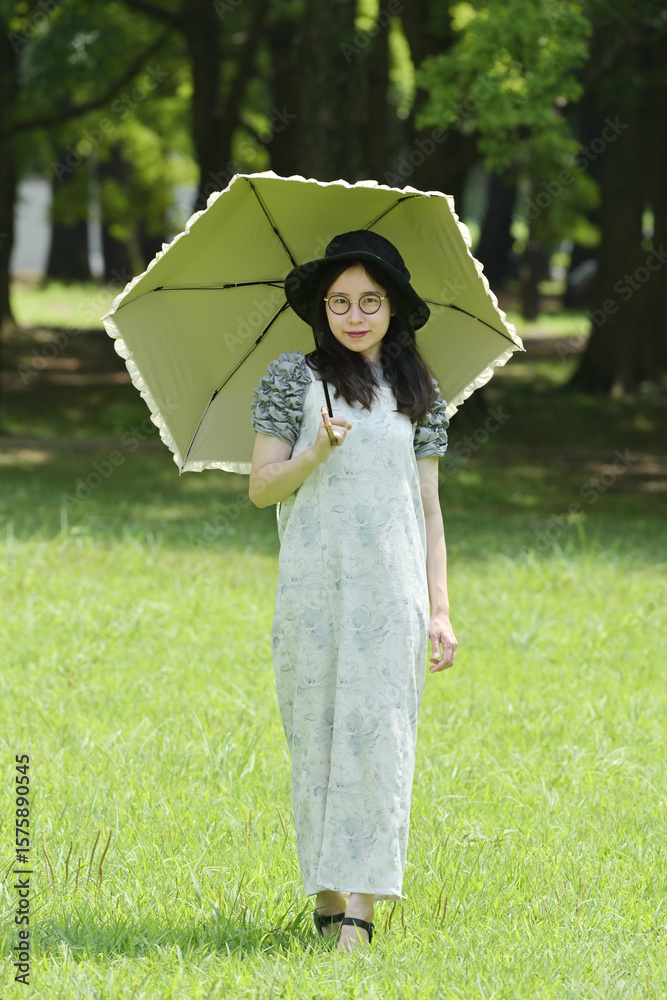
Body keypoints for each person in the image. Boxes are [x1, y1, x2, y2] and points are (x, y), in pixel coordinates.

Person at [248, 231, 458, 952]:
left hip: (391, 594)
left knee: (380, 740)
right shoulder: (291, 379)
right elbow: (260, 487)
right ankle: (327, 893)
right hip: (313, 594)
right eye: (339, 302)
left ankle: (360, 912)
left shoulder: (418, 391)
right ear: (321, 309)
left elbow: (428, 507)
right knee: (316, 738)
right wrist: (314, 453)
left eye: (370, 301)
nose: (355, 315)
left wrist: (439, 610)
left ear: (394, 307)